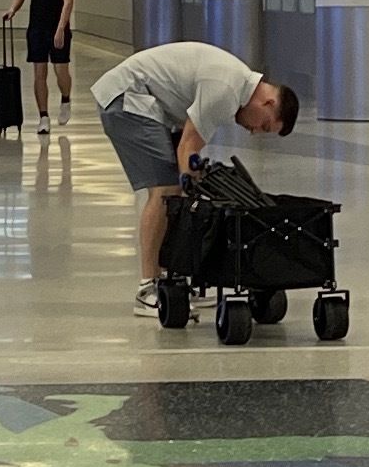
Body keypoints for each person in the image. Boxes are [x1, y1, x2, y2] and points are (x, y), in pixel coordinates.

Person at [90, 38, 298, 310]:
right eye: (264, 125)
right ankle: (147, 287)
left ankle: (170, 281)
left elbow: (189, 152)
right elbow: (188, 148)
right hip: (128, 98)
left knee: (175, 192)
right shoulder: (227, 90)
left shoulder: (233, 83)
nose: (254, 131)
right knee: (166, 191)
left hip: (144, 101)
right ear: (268, 102)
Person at [10, 0, 80, 123]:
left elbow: (68, 2)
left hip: (57, 27)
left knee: (60, 69)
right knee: (39, 71)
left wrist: (60, 29)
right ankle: (44, 116)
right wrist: (13, 9)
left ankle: (65, 99)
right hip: (36, 28)